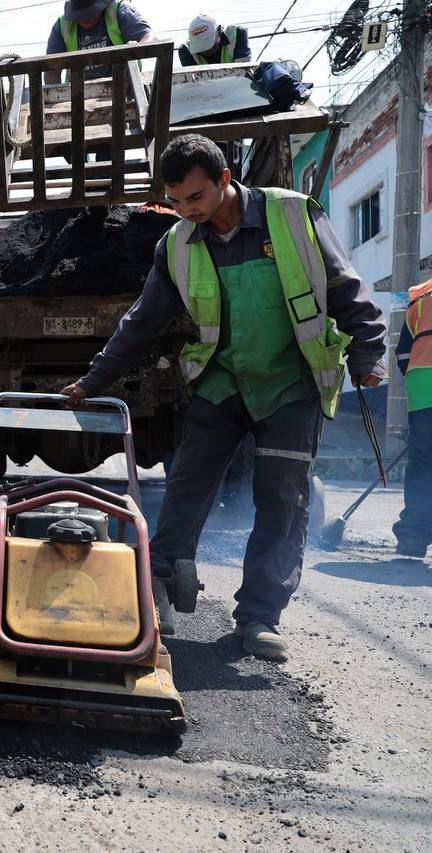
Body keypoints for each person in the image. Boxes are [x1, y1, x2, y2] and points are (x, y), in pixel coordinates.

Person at [60, 134, 386, 662]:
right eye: (175, 202)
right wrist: (93, 380)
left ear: (225, 179)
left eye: (195, 198)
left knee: (282, 499)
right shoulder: (177, 244)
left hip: (291, 382)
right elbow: (142, 323)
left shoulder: (292, 215)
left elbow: (346, 288)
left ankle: (259, 617)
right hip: (223, 379)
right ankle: (157, 586)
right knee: (187, 484)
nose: (185, 211)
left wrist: (369, 357)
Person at [394, 280, 431, 558]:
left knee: (423, 462)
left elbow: (403, 353)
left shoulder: (421, 295)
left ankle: (413, 537)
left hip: (422, 382)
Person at [45, 0, 153, 83]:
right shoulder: (62, 27)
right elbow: (51, 71)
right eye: (81, 15)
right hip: (79, 97)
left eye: (90, 13)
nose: (85, 19)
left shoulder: (119, 11)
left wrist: (137, 48)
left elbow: (148, 36)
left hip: (124, 88)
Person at [178, 14, 251, 66]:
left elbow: (243, 72)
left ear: (219, 32)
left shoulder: (237, 34)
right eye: (200, 48)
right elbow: (193, 85)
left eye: (209, 46)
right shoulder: (186, 50)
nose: (205, 51)